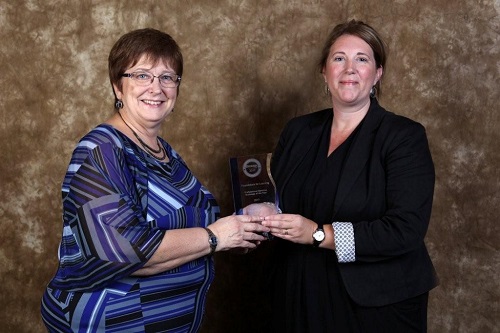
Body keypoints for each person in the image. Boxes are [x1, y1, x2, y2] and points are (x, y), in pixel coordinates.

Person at [40, 28, 271, 332]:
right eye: (142, 75)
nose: (156, 88)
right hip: (111, 321)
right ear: (117, 87)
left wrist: (242, 225)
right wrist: (216, 237)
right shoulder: (102, 151)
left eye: (167, 77)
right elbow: (124, 251)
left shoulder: (163, 152)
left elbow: (185, 224)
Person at [261, 20, 438, 332]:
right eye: (339, 58)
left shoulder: (403, 137)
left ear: (378, 73)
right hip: (297, 291)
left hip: (375, 302)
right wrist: (259, 218)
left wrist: (318, 234)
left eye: (362, 59)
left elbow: (405, 230)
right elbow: (276, 199)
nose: (350, 69)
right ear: (324, 71)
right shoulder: (298, 131)